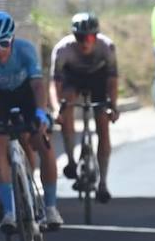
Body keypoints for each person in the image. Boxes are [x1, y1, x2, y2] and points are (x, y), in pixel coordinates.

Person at [0, 11, 62, 230]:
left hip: (24, 93)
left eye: (3, 44)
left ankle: (51, 208)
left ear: (12, 39)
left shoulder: (25, 50)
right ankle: (9, 212)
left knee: (42, 143)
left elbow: (38, 85)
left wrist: (39, 112)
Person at [51, 13, 120, 203]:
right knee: (67, 106)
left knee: (103, 125)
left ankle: (103, 184)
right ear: (74, 36)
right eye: (80, 37)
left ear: (96, 36)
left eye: (89, 37)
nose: (85, 42)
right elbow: (54, 83)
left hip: (98, 78)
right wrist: (58, 109)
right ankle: (72, 162)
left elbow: (113, 81)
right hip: (72, 78)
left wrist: (113, 106)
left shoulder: (107, 47)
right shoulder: (62, 50)